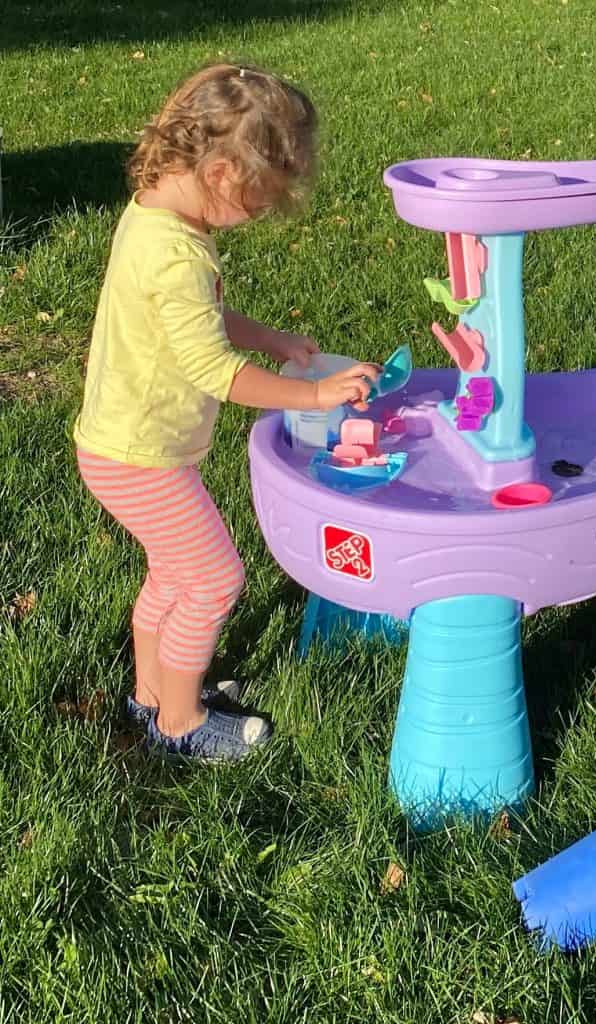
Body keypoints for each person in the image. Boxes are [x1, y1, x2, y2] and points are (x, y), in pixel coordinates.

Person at [74, 63, 379, 762]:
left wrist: (270, 337)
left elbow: (200, 321)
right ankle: (180, 724)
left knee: (173, 573)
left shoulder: (155, 217)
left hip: (121, 446)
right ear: (218, 172)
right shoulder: (176, 255)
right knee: (214, 578)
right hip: (141, 456)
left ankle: (151, 695)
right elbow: (212, 368)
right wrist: (313, 395)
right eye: (258, 199)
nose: (261, 214)